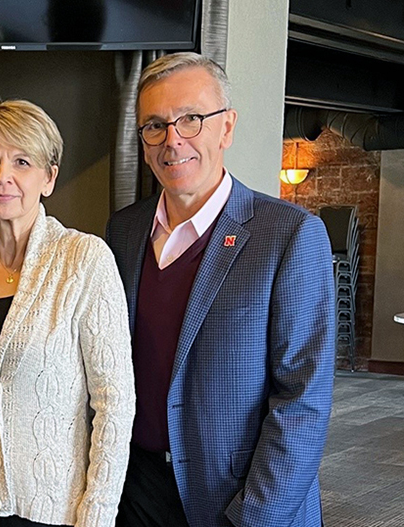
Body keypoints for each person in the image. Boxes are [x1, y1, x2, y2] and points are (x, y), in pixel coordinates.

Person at [106, 52, 335, 527]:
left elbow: (303, 401)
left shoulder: (290, 234)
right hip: (137, 493)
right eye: (154, 125)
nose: (173, 140)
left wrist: (251, 517)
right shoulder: (123, 232)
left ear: (226, 127)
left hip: (236, 501)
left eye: (191, 119)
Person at [0, 99, 135, 527]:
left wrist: (98, 512)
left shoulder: (84, 259)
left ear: (48, 178)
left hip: (50, 506)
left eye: (22, 161)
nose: (2, 176)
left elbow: (114, 402)